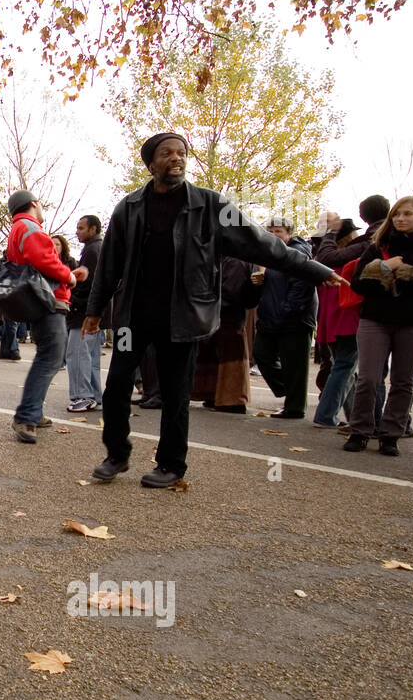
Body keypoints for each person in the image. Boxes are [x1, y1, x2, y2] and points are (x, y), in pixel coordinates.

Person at [83, 133, 343, 487]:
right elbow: (109, 265)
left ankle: (171, 465)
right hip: (134, 318)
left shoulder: (210, 206)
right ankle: (116, 454)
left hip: (184, 318)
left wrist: (314, 269)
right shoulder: (128, 209)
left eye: (181, 153)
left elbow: (263, 244)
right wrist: (95, 310)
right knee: (116, 387)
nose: (176, 158)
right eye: (166, 153)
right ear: (150, 164)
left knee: (176, 394)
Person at [343, 195, 413, 456]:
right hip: (374, 320)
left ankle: (391, 434)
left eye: (408, 214)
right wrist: (381, 268)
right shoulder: (377, 246)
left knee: (403, 381)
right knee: (368, 378)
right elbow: (357, 284)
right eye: (397, 214)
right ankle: (360, 430)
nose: (401, 219)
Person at [6, 190, 82, 443]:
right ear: (34, 205)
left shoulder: (18, 229)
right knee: (51, 358)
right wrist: (69, 275)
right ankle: (27, 416)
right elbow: (44, 259)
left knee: (47, 356)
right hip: (50, 301)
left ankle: (33, 411)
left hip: (38, 301)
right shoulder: (30, 227)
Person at [252, 216, 318, 419]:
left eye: (278, 231)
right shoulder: (270, 255)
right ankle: (291, 391)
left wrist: (285, 311)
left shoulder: (297, 253)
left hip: (295, 319)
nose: (273, 235)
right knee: (262, 355)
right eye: (269, 231)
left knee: (295, 364)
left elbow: (302, 288)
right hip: (270, 317)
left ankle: (295, 407)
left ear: (289, 233)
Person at [312, 212, 369, 428]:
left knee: (345, 368)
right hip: (348, 319)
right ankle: (326, 414)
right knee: (345, 367)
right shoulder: (347, 261)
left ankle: (352, 415)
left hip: (330, 321)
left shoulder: (324, 260)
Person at [191, 256, 261, 413]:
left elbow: (232, 291)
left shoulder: (236, 259)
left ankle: (232, 400)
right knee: (217, 355)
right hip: (221, 311)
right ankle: (215, 395)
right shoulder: (227, 256)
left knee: (231, 358)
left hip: (228, 312)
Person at [66, 214, 104, 412]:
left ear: (93, 229)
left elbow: (88, 284)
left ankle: (83, 395)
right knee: (90, 357)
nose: (77, 231)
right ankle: (95, 395)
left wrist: (74, 300)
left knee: (78, 355)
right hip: (94, 311)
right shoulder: (98, 248)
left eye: (81, 228)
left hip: (84, 312)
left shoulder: (92, 251)